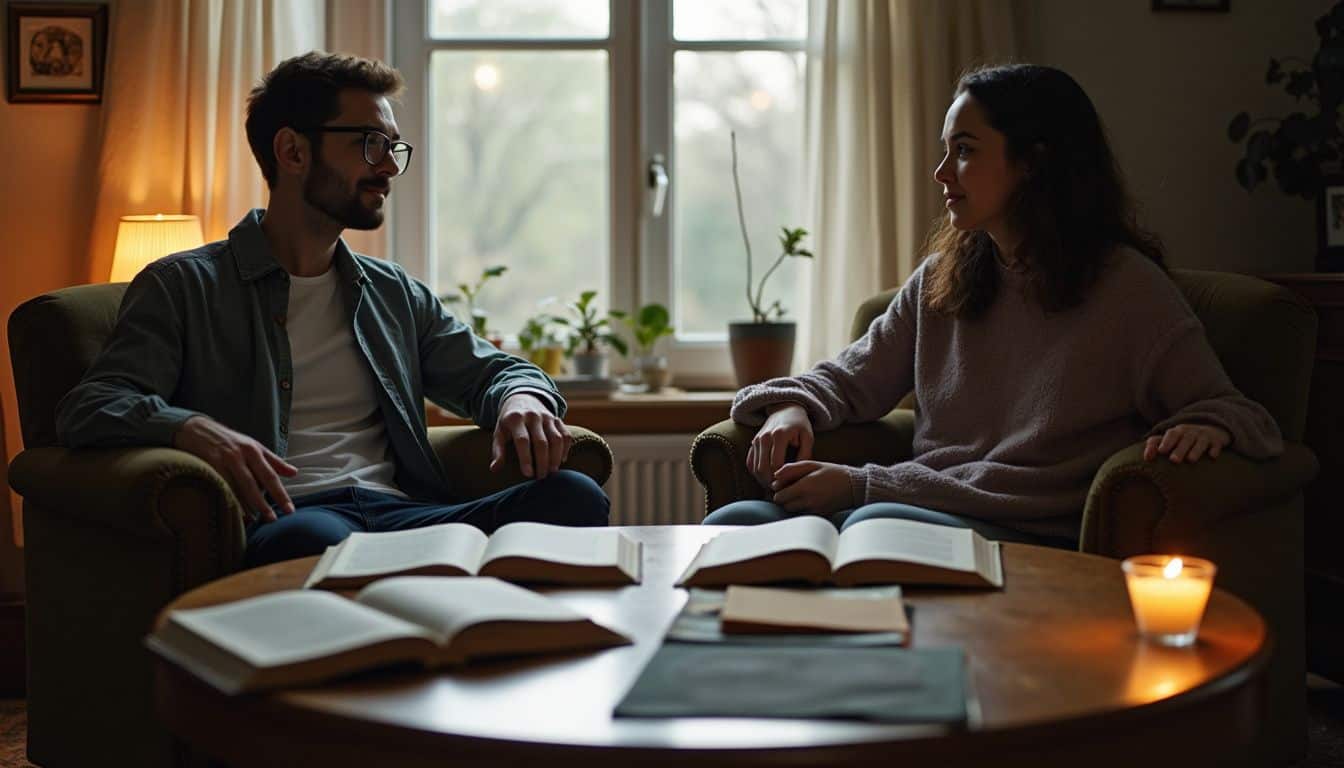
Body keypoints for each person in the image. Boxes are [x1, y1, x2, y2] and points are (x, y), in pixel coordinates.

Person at [56, 51, 609, 567]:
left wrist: (521, 396)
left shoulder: (392, 291)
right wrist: (192, 429)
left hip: (406, 515)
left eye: (394, 148)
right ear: (293, 151)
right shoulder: (183, 286)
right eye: (370, 143)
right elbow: (92, 404)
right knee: (312, 542)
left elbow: (495, 370)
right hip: (293, 519)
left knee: (572, 497)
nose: (389, 167)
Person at [703, 64, 1283, 546]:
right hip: (908, 505)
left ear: (1031, 162)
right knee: (733, 526)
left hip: (1018, 528)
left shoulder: (1127, 288)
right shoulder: (944, 277)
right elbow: (850, 378)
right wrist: (791, 407)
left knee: (875, 525)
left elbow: (1234, 411)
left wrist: (1207, 424)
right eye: (945, 151)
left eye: (964, 151)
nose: (940, 173)